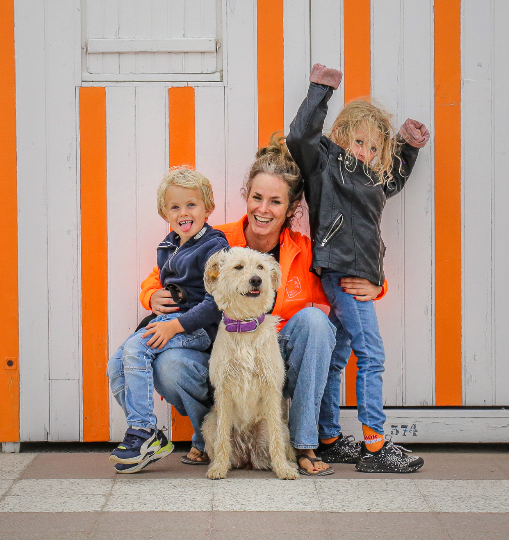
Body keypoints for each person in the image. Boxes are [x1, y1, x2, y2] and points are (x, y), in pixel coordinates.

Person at [141, 140, 384, 475]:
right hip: (223, 356)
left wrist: (376, 285)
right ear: (247, 197)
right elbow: (166, 272)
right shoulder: (216, 240)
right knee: (169, 366)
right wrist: (151, 294)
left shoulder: (304, 252)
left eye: (275, 201)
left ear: (290, 208)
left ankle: (302, 443)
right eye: (257, 197)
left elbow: (341, 285)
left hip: (275, 363)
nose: (263, 209)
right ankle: (210, 439)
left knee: (316, 322)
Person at [286, 64, 429, 474]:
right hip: (342, 275)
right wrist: (320, 90)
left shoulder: (372, 177)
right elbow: (299, 136)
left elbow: (394, 178)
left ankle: (328, 437)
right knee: (373, 355)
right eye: (359, 141)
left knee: (339, 354)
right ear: (341, 135)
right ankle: (374, 444)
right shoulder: (325, 165)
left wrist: (408, 145)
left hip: (359, 276)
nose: (364, 151)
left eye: (373, 146)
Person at [107, 167, 229, 473]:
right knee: (115, 364)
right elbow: (167, 289)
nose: (183, 212)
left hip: (197, 328)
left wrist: (174, 325)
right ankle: (149, 435)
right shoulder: (169, 245)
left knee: (137, 350)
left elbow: (216, 303)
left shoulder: (214, 246)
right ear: (165, 212)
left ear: (208, 208)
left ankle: (143, 430)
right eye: (175, 207)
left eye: (191, 205)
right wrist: (156, 301)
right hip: (171, 321)